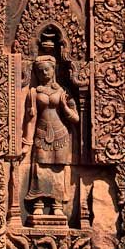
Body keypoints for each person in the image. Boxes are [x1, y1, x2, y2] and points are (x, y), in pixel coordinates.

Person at [21, 55, 79, 218]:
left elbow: (75, 118)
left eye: (47, 69)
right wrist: (27, 142)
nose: (44, 73)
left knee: (58, 168)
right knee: (40, 167)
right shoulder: (33, 93)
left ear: (54, 70)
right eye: (40, 71)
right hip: (41, 133)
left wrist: (64, 106)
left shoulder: (63, 91)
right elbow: (31, 120)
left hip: (61, 135)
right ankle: (38, 203)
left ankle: (57, 204)